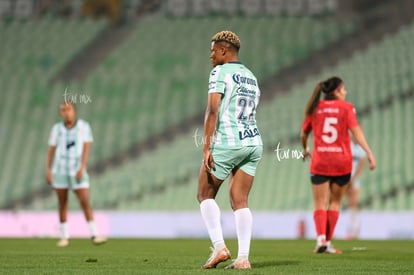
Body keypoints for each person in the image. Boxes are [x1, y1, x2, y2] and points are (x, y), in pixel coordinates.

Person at [197, 30, 263, 270]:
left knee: (204, 195)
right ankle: (243, 258)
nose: (211, 55)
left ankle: (219, 247)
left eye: (213, 50)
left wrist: (206, 147)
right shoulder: (251, 77)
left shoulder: (220, 72)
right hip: (253, 142)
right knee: (240, 201)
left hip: (228, 141)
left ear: (224, 50)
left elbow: (213, 110)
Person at [301, 76, 376, 254]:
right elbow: (357, 134)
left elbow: (303, 134)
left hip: (321, 160)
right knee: (335, 203)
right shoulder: (347, 108)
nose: (345, 92)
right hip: (342, 162)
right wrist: (370, 153)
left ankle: (321, 240)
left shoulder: (314, 108)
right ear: (336, 91)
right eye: (343, 90)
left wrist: (305, 148)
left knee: (320, 203)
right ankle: (327, 243)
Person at [46, 102, 107, 247]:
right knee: (62, 202)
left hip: (76, 169)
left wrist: (82, 167)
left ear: (74, 111)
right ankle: (64, 236)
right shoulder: (57, 129)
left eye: (68, 109)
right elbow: (51, 150)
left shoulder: (83, 127)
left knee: (85, 200)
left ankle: (94, 234)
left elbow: (86, 147)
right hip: (60, 169)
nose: (66, 112)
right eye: (63, 110)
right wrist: (48, 169)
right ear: (61, 113)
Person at [346, 138, 367, 239]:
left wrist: (353, 179)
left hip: (354, 180)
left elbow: (361, 167)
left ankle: (354, 231)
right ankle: (331, 231)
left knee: (353, 204)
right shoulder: (346, 145)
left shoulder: (361, 150)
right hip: (344, 178)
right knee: (335, 201)